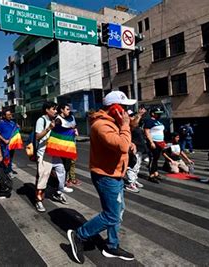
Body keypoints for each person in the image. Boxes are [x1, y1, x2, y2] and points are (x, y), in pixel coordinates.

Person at [67, 91, 136, 263]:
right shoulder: (101, 125)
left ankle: (112, 246)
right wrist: (126, 128)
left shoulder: (114, 122)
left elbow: (122, 143)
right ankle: (79, 235)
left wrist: (129, 140)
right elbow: (121, 145)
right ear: (114, 108)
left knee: (117, 211)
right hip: (106, 176)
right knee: (112, 215)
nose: (127, 112)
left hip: (116, 173)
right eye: (124, 107)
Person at [35, 101, 72, 213]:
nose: (56, 111)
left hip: (54, 153)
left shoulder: (55, 120)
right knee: (42, 178)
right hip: (44, 154)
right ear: (47, 110)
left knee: (61, 172)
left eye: (56, 109)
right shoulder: (41, 120)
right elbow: (37, 136)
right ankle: (39, 200)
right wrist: (48, 128)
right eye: (53, 109)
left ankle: (58, 192)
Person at [56, 104, 81, 187]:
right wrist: (70, 130)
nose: (69, 111)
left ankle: (72, 178)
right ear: (62, 110)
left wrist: (75, 130)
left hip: (72, 143)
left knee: (73, 161)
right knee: (64, 163)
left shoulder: (72, 117)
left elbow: (75, 126)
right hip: (63, 145)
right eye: (67, 109)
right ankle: (64, 180)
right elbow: (57, 132)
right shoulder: (58, 119)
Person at [125, 107, 147, 193]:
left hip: (140, 148)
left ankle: (134, 180)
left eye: (133, 115)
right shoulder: (129, 125)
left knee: (137, 167)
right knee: (132, 166)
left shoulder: (136, 124)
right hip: (134, 149)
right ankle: (131, 184)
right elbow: (134, 123)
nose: (133, 117)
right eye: (131, 116)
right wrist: (139, 114)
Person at [144, 107, 166, 183]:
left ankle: (155, 173)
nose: (159, 115)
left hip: (160, 142)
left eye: (160, 114)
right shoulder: (149, 121)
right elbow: (147, 132)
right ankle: (151, 175)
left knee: (156, 159)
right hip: (154, 142)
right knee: (153, 159)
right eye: (157, 113)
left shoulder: (158, 121)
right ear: (153, 114)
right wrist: (151, 142)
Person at [0, 108, 17, 175]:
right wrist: (4, 140)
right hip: (4, 144)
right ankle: (4, 170)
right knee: (6, 157)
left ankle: (9, 169)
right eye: (8, 115)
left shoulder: (13, 123)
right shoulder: (1, 124)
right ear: (4, 116)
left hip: (12, 144)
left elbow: (15, 132)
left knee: (11, 157)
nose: (10, 116)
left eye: (10, 114)